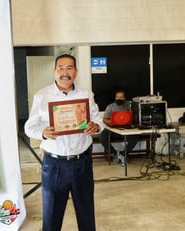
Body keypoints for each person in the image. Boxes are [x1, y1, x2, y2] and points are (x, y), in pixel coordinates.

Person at [24, 54, 104, 231]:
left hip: (82, 163)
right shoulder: (42, 96)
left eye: (69, 68)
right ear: (54, 71)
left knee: (86, 214)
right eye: (60, 68)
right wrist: (43, 132)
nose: (65, 72)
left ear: (75, 72)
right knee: (52, 216)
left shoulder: (86, 94)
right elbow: (29, 128)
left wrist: (95, 127)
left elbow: (99, 121)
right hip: (54, 165)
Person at [100, 90, 139, 166]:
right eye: (117, 97)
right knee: (103, 136)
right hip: (113, 129)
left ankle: (123, 154)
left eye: (121, 97)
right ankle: (115, 154)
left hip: (127, 129)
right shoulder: (110, 106)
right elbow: (104, 119)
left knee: (135, 137)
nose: (118, 98)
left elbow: (136, 115)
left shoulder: (129, 105)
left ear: (124, 98)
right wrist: (111, 122)